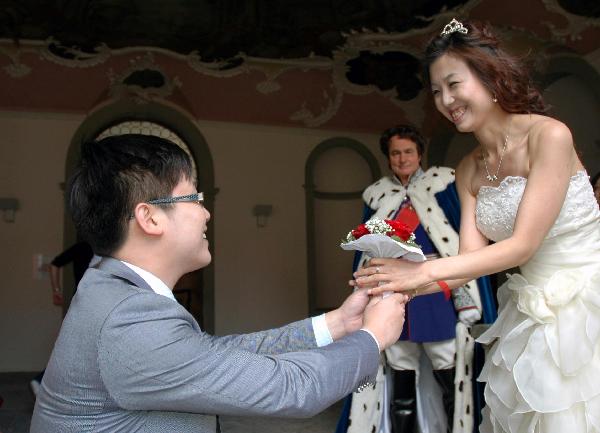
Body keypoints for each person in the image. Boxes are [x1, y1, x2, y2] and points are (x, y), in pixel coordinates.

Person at [30, 134, 409, 432]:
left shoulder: (110, 287)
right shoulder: (128, 319)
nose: (206, 212)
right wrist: (373, 337)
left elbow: (212, 355)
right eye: (194, 196)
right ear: (149, 218)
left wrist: (337, 324)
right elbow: (294, 388)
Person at [353, 18, 600, 433]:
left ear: (490, 77)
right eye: (436, 91)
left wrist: (421, 272)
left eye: (453, 84)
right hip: (531, 309)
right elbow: (469, 261)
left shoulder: (549, 137)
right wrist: (393, 284)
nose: (446, 100)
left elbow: (521, 245)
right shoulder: (468, 169)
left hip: (587, 302)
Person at [339, 125, 496, 433]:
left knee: (449, 373)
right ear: (388, 157)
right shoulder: (377, 196)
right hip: (392, 296)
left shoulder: (443, 185)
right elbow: (366, 246)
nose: (402, 158)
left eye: (408, 151)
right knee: (400, 375)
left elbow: (461, 240)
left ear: (420, 154)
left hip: (435, 292)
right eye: (395, 153)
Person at [29, 240, 95, 397]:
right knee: (79, 347)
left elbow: (54, 265)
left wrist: (56, 291)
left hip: (80, 301)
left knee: (79, 347)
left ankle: (43, 381)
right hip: (91, 302)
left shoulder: (83, 246)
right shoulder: (109, 247)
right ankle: (42, 380)